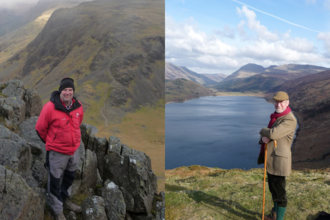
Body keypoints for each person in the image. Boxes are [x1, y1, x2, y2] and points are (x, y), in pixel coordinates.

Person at [35, 77, 84, 220]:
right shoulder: (50, 107)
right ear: (60, 91)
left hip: (73, 151)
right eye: (65, 90)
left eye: (70, 90)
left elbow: (78, 122)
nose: (68, 92)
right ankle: (57, 211)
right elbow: (40, 128)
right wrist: (52, 142)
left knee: (69, 177)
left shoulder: (78, 106)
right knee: (55, 181)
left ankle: (65, 200)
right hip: (57, 153)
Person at [257, 91, 297, 220]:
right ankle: (274, 215)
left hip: (279, 162)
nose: (278, 104)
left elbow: (272, 135)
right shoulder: (276, 117)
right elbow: (268, 137)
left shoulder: (289, 119)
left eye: (281, 102)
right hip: (272, 160)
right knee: (273, 190)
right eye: (276, 102)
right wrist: (264, 137)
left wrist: (263, 130)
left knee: (280, 194)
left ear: (287, 103)